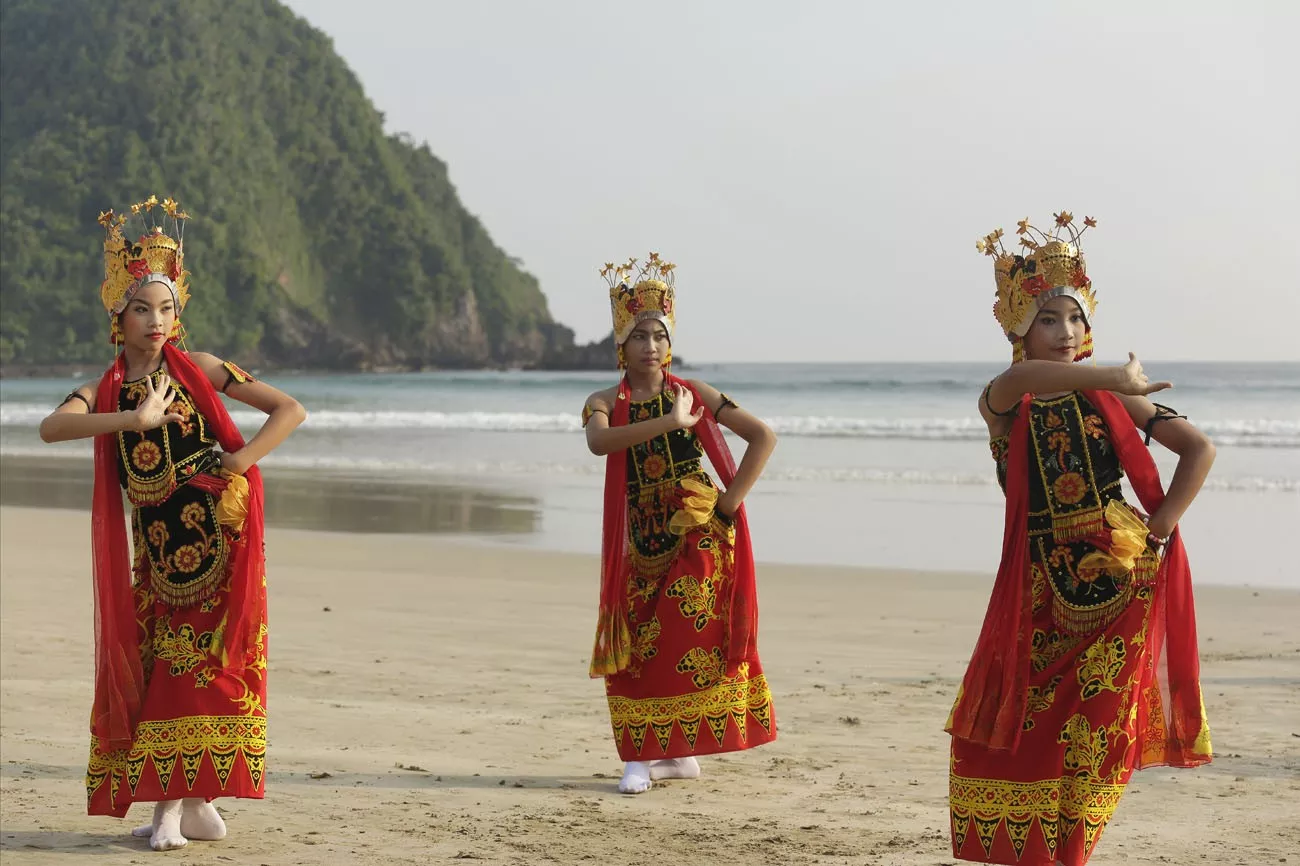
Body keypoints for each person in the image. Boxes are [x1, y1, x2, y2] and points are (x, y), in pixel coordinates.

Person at [946, 213, 1215, 864]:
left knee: (1096, 729)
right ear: (1018, 327)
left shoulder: (1111, 395)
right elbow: (1020, 383)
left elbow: (1198, 449)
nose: (1066, 333)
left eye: (1074, 318)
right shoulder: (1007, 395)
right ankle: (1030, 846)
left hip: (1120, 576)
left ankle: (1068, 852)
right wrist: (1113, 382)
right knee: (1023, 720)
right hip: (1039, 581)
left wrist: (1161, 524)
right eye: (1047, 319)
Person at [38, 197, 306, 850]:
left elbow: (289, 410)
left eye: (166, 309)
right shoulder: (104, 390)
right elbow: (53, 428)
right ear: (117, 315)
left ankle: (171, 811)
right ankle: (195, 805)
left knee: (205, 672)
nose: (156, 322)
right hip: (157, 555)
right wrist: (132, 421)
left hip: (220, 541)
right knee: (162, 669)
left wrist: (240, 458)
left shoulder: (202, 369)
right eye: (141, 309)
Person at [581, 254, 778, 794]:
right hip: (638, 538)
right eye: (639, 335)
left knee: (673, 637)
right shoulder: (603, 402)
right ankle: (662, 755)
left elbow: (762, 437)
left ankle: (651, 757)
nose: (650, 345)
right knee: (637, 642)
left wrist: (730, 504)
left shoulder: (694, 392)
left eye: (659, 334)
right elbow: (599, 442)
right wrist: (670, 424)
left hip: (697, 530)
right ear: (620, 344)